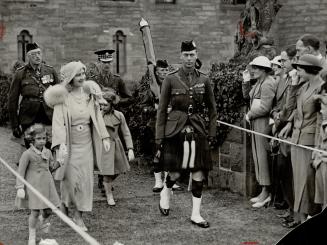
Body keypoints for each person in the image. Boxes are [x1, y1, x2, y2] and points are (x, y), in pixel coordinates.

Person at [156, 40, 217, 228]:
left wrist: (211, 133)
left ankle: (196, 214)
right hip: (175, 131)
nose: (189, 59)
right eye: (186, 55)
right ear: (181, 56)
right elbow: (162, 109)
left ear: (196, 55)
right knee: (174, 173)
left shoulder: (204, 79)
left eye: (192, 55)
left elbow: (212, 109)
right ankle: (165, 192)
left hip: (198, 130)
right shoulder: (170, 79)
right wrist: (159, 138)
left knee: (199, 172)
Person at [44, 61, 111, 231]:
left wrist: (104, 137)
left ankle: (78, 216)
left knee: (84, 181)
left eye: (83, 74)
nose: (82, 78)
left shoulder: (90, 95)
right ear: (70, 79)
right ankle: (65, 207)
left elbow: (97, 117)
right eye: (78, 75)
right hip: (70, 147)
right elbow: (58, 123)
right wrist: (60, 146)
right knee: (69, 181)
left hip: (87, 145)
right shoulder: (62, 98)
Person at [283, 54, 323, 226]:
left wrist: (317, 147)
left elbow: (320, 121)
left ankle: (305, 218)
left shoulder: (322, 88)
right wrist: (292, 85)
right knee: (297, 180)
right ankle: (298, 217)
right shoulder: (302, 86)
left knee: (307, 182)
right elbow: (288, 110)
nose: (296, 70)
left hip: (310, 142)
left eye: (299, 68)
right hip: (296, 139)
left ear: (310, 69)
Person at [86, 48, 133, 192]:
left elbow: (129, 97)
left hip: (112, 118)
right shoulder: (92, 80)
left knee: (112, 147)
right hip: (96, 117)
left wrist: (116, 102)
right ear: (98, 62)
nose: (106, 65)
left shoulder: (117, 79)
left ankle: (107, 177)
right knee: (99, 146)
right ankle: (102, 177)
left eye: (109, 62)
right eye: (103, 62)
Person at [141, 59, 182, 192]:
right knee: (158, 152)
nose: (164, 73)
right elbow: (143, 107)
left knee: (172, 151)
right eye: (161, 71)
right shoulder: (151, 89)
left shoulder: (172, 85)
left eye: (166, 70)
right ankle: (158, 181)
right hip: (155, 125)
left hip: (172, 124)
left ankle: (170, 180)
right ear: (156, 73)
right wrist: (155, 108)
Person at [15, 124, 60, 245]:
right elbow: (21, 172)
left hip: (47, 185)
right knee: (34, 212)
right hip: (34, 186)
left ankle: (42, 219)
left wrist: (60, 161)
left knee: (49, 210)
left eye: (44, 138)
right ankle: (32, 235)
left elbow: (51, 168)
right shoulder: (27, 154)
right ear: (32, 140)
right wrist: (20, 187)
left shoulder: (48, 152)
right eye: (39, 139)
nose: (42, 141)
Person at [8, 42, 59, 148]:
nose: (37, 56)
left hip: (48, 115)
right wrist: (15, 125)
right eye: (34, 54)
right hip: (28, 116)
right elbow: (12, 100)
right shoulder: (20, 73)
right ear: (28, 57)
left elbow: (59, 94)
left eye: (39, 53)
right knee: (31, 147)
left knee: (49, 146)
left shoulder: (50, 70)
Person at [242, 56, 276, 208]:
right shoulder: (259, 83)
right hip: (256, 123)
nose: (253, 70)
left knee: (263, 157)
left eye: (255, 68)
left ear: (264, 70)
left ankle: (266, 192)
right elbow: (247, 96)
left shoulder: (268, 83)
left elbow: (265, 107)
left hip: (263, 123)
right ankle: (263, 190)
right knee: (257, 156)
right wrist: (246, 81)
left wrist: (250, 114)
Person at [270, 45, 297, 227]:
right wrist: (276, 115)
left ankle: (294, 210)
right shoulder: (283, 79)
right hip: (281, 126)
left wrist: (282, 120)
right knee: (281, 169)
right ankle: (289, 207)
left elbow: (292, 108)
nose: (281, 63)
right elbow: (278, 105)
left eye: (284, 60)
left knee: (288, 171)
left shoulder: (297, 80)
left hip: (292, 130)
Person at [96, 89, 135, 206]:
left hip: (116, 145)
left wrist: (130, 148)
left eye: (105, 105)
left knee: (119, 170)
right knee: (107, 173)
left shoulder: (119, 115)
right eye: (101, 104)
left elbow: (126, 132)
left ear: (112, 104)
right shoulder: (97, 115)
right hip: (103, 146)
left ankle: (104, 181)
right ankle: (109, 195)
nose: (102, 107)